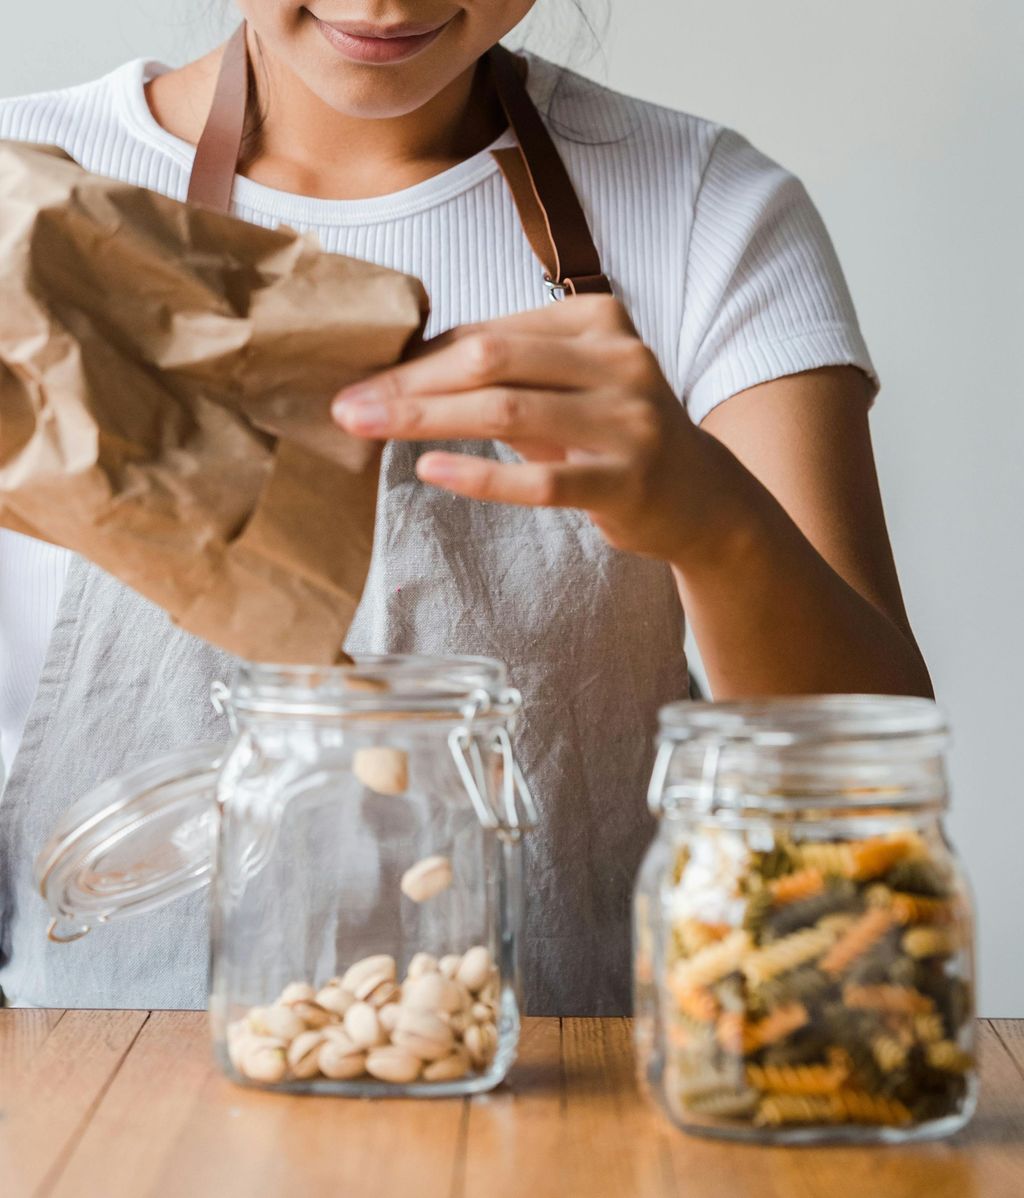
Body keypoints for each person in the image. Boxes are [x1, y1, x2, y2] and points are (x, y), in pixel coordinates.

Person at [0, 2, 931, 1015]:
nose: (385, 1)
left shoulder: (707, 210)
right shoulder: (27, 197)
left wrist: (716, 526)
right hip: (93, 1103)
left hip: (582, 1107)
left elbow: (873, 785)